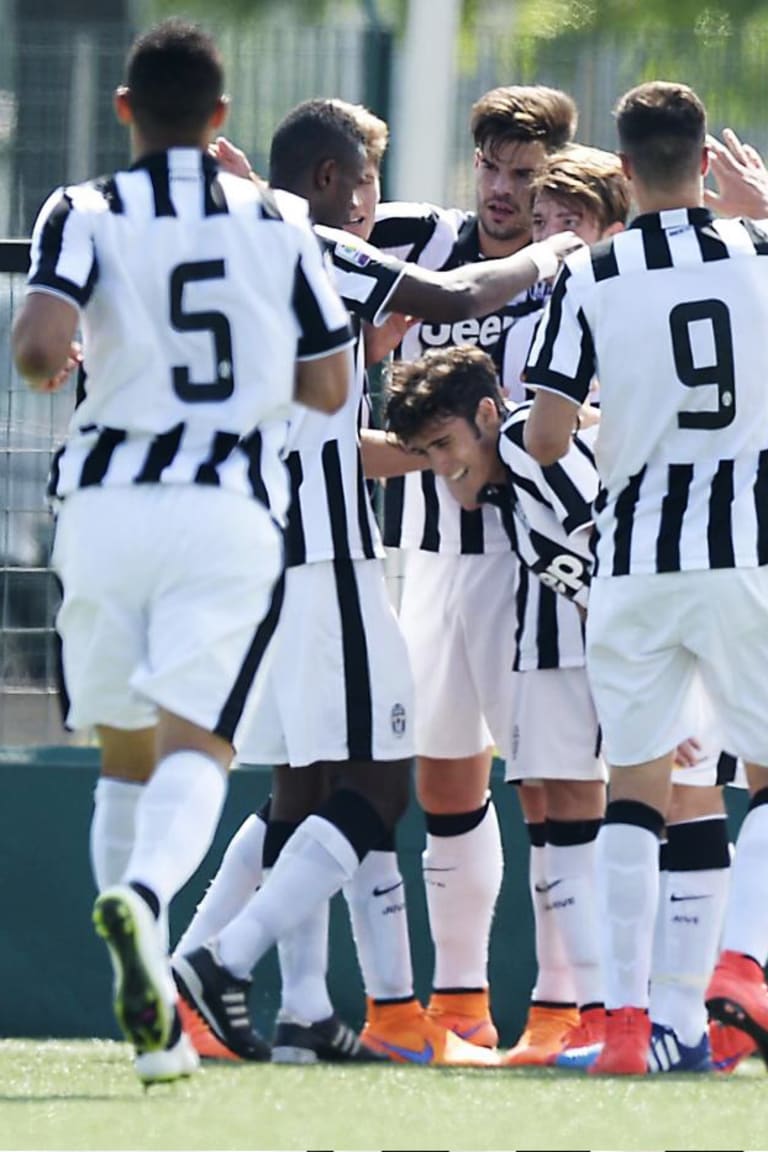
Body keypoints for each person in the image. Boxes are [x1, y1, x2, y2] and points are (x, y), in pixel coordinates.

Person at [171, 98, 577, 1066]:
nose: (370, 201)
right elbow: (456, 296)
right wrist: (556, 255)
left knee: (306, 783)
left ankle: (303, 1007)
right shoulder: (326, 245)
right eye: (360, 181)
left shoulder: (224, 249)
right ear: (326, 180)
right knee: (382, 778)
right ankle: (222, 960)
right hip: (327, 553)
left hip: (256, 548)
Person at [11, 19, 355, 1085]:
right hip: (226, 509)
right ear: (220, 118)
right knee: (199, 746)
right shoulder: (276, 218)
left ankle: (153, 1021)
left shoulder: (82, 209)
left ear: (125, 110)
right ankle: (149, 898)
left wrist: (70, 359)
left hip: (106, 504)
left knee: (124, 755)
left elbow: (37, 349)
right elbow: (331, 385)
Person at [524, 80, 768, 1075]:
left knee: (633, 789)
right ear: (707, 163)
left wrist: (612, 418)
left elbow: (545, 438)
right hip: (744, 551)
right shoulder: (758, 253)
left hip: (631, 561)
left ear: (622, 172)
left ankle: (626, 1025)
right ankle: (742, 964)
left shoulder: (592, 273)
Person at [370, 84, 582, 1055]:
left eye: (523, 174)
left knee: (549, 790)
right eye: (490, 167)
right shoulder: (418, 237)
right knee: (446, 782)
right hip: (428, 559)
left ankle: (563, 1008)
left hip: (530, 565)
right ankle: (460, 1006)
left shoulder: (570, 261)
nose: (501, 190)